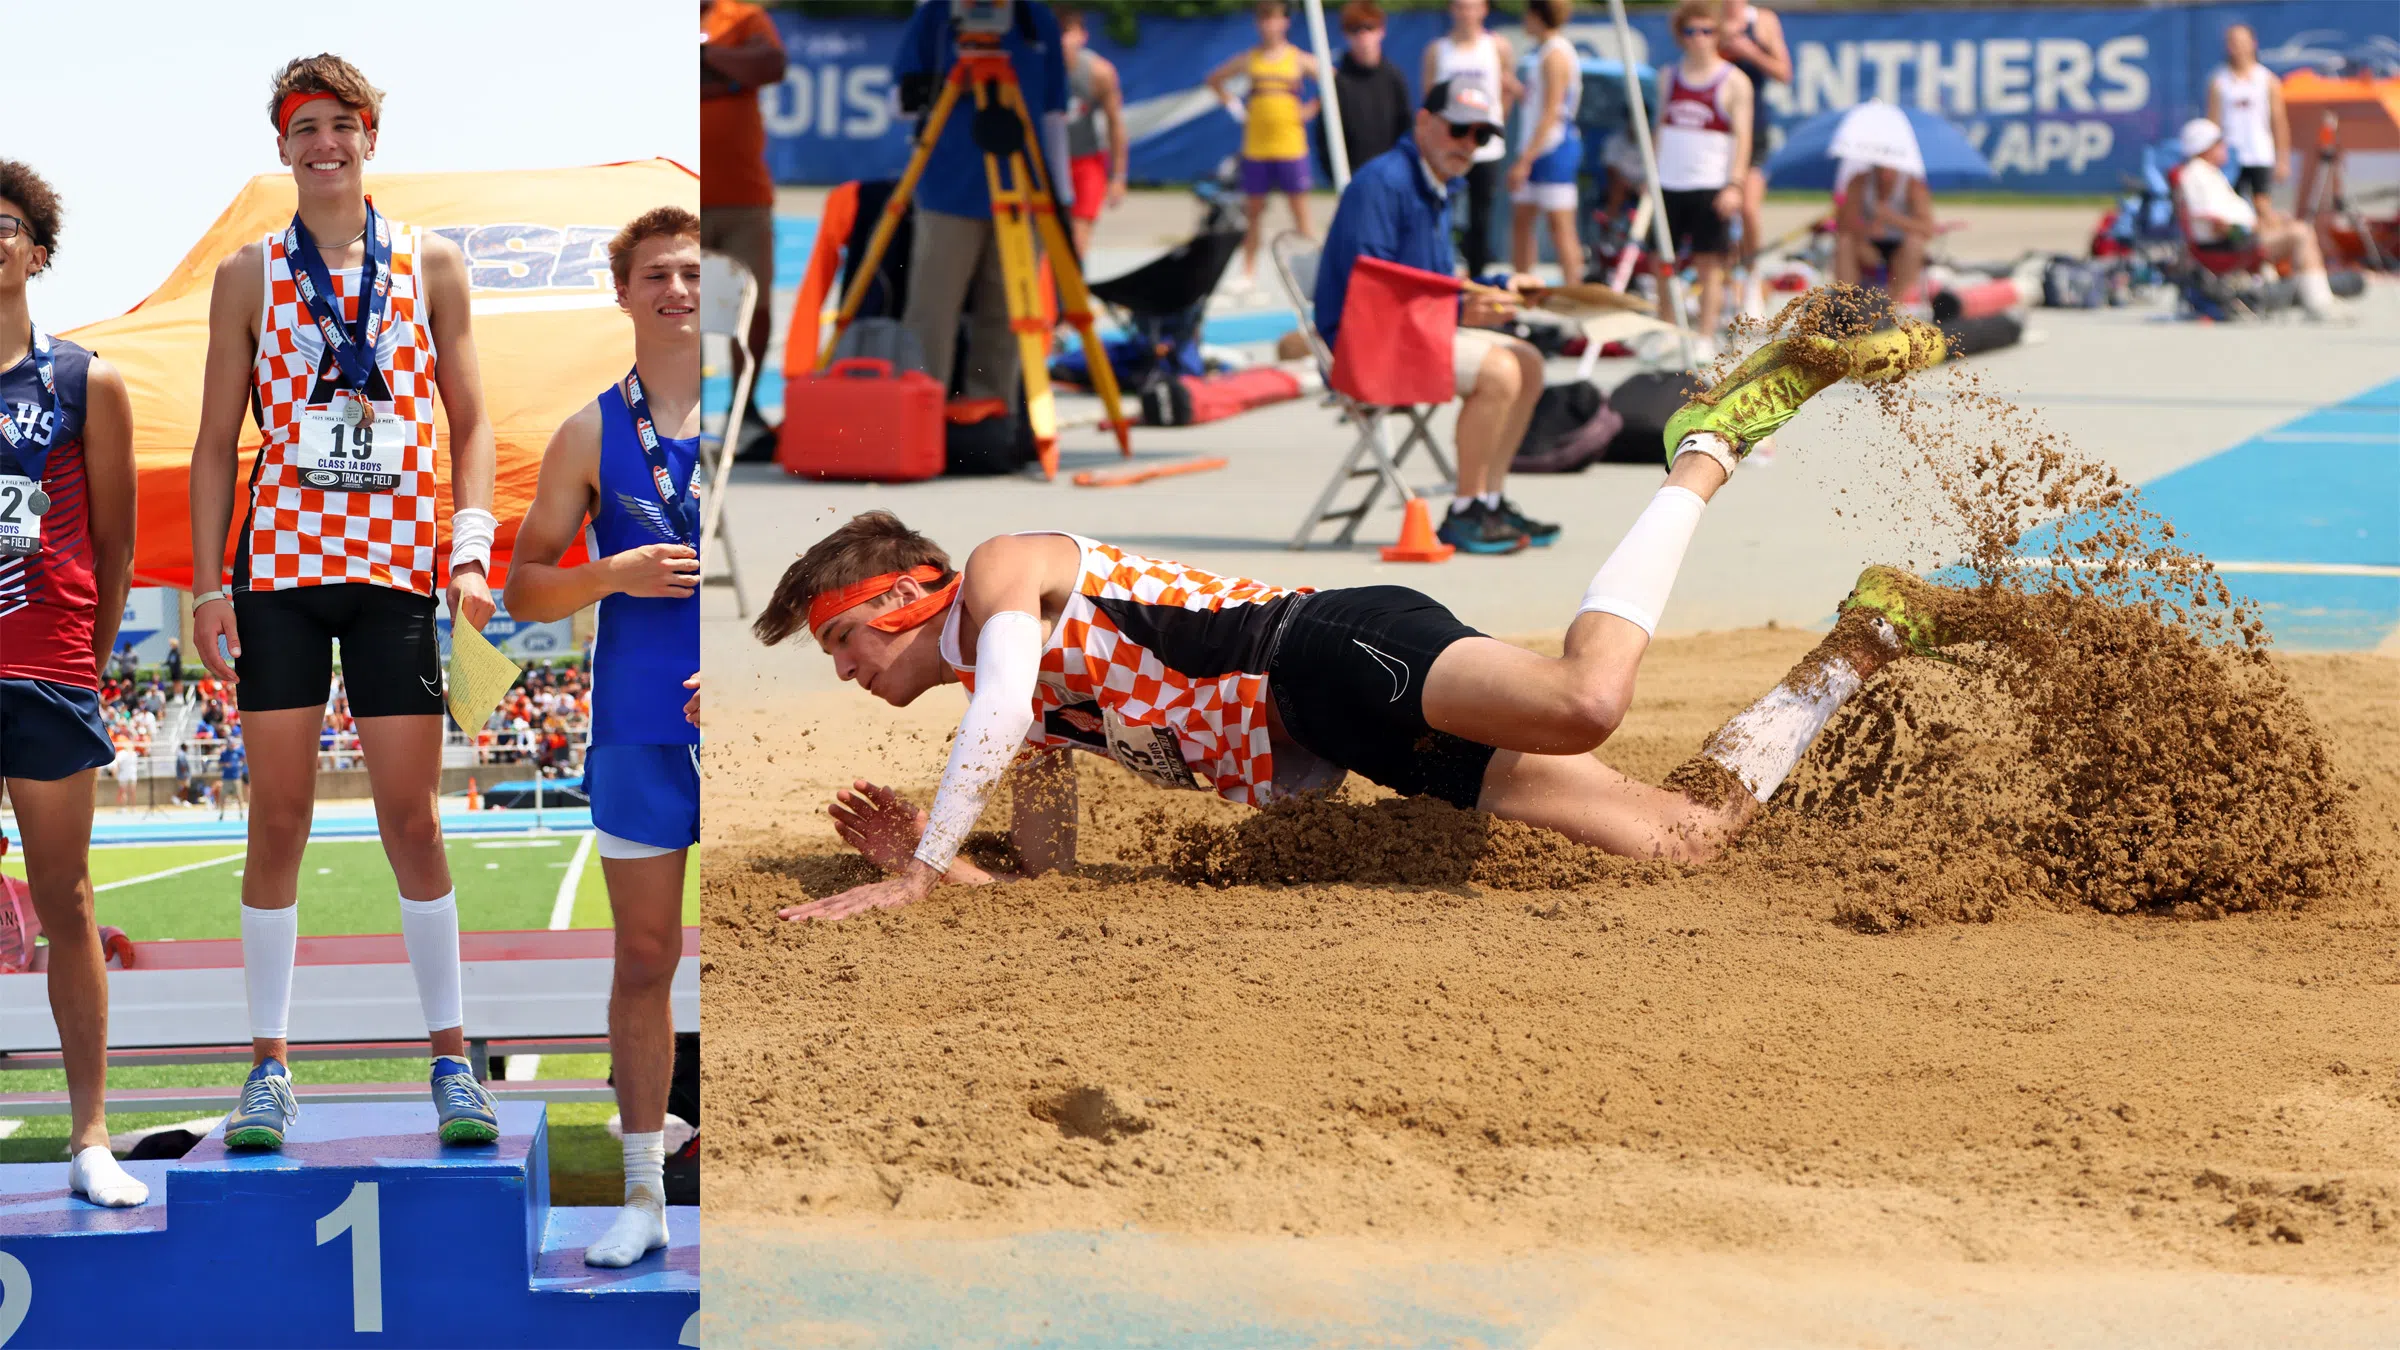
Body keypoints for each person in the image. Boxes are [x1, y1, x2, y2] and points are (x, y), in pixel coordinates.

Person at [757, 322, 1953, 922]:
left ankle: (1708, 442)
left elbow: (1010, 686)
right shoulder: (1011, 719)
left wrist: (915, 872)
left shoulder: (1002, 571)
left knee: (1587, 702)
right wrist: (945, 863)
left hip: (1329, 649)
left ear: (902, 597)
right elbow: (1054, 878)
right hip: (1352, 731)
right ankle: (1864, 643)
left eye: (840, 643)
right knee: (1688, 839)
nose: (847, 673)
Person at [187, 55, 502, 1150]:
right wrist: (205, 581)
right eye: (304, 127)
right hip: (277, 573)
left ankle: (452, 1061)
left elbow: (472, 424)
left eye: (342, 125)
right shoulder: (248, 272)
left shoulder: (433, 262)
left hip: (400, 572)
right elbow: (215, 442)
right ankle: (269, 1067)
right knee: (276, 819)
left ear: (371, 136)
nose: (324, 143)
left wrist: (468, 550)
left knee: (412, 819)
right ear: (281, 145)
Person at [504, 206, 703, 1269]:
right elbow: (527, 586)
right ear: (621, 293)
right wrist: (610, 574)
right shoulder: (589, 431)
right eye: (656, 274)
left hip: (741, 721)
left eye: (692, 272)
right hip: (636, 725)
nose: (678, 289)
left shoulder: (751, 412)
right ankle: (643, 1197)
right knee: (643, 957)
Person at [0, 160, 148, 1209]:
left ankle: (89, 1134)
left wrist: (78, 660)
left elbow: (116, 546)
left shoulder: (82, 380)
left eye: (3, 225)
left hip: (46, 668)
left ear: (38, 252)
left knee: (68, 900)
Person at [1315, 80, 1557, 556]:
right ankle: (1464, 512)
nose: (1468, 144)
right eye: (1459, 129)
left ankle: (1488, 500)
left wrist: (1505, 285)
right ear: (1423, 122)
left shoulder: (1435, 183)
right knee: (1499, 370)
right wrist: (1462, 309)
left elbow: (1438, 280)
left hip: (1401, 331)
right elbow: (1374, 296)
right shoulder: (1384, 183)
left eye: (1481, 136)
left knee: (1528, 361)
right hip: (1364, 347)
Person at [893, 0, 1070, 402]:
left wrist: (1059, 198)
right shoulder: (936, 17)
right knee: (931, 314)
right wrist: (951, 82)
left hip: (1022, 192)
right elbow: (900, 103)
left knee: (1008, 317)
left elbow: (1054, 114)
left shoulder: (1034, 19)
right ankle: (919, 414)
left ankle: (991, 416)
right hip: (947, 191)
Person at [701, 0, 789, 461]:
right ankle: (679, 414)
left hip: (743, 195)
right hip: (677, 195)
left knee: (754, 307)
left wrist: (705, 59)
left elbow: (770, 65)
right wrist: (731, 75)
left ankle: (745, 409)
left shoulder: (742, 17)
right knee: (676, 314)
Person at [1654, 0, 1752, 351]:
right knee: (1662, 261)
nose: (1698, 39)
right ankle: (1667, 330)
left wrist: (1734, 184)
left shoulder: (1734, 81)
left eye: (1706, 31)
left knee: (1709, 264)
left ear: (1718, 35)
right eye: (1690, 32)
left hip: (1710, 183)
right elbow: (1659, 129)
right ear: (1681, 36)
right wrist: (1650, 176)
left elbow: (1743, 139)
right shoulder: (1668, 76)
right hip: (1668, 181)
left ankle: (1705, 336)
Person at [1208, 1, 1323, 290]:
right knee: (1253, 213)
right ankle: (1248, 273)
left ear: (1285, 22)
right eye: (1263, 19)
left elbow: (1334, 82)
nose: (1269, 25)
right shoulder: (1250, 59)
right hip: (1256, 148)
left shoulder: (1298, 59)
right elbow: (1215, 80)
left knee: (1300, 214)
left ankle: (1314, 274)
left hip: (1291, 146)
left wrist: (1312, 109)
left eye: (1274, 19)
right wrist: (1236, 108)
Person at [2176, 118, 2339, 320]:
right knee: (2301, 234)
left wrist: (2269, 223)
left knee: (2295, 226)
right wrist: (2252, 231)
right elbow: (2216, 224)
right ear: (2205, 147)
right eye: (2219, 143)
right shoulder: (2195, 175)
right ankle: (2318, 304)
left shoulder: (2209, 173)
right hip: (2228, 246)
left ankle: (2314, 299)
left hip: (2237, 239)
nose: (2224, 147)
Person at [1423, 0, 1517, 281]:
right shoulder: (1437, 50)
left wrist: (1492, 124)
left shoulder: (1497, 46)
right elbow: (1429, 100)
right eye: (1461, 6)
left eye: (1472, 6)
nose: (1466, 13)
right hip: (1447, 147)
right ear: (1452, 10)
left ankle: (1477, 280)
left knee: (1481, 218)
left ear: (1484, 9)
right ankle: (1440, 272)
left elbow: (1508, 89)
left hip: (1484, 149)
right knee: (1439, 212)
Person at [1508, 0, 1584, 287]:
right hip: (1537, 146)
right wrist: (1516, 89)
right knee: (1522, 221)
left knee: (1560, 227)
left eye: (1527, 14)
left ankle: (1575, 295)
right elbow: (1538, 103)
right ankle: (1523, 292)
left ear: (1538, 16)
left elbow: (1553, 112)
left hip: (1553, 150)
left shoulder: (1555, 55)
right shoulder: (1544, 53)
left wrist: (1525, 160)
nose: (1524, 20)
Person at [1717, 0, 1788, 277]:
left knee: (1748, 208)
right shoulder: (1708, 19)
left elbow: (1783, 72)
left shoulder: (1763, 21)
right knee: (1719, 211)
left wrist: (1750, 51)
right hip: (1718, 130)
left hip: (1753, 128)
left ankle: (1751, 274)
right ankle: (1724, 278)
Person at [1318, 2, 1414, 189]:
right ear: (1346, 34)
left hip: (1390, 177)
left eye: (1369, 28)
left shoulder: (1394, 78)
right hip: (1351, 179)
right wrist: (1336, 174)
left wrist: (1400, 169)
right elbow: (1325, 134)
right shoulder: (1338, 83)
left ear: (1381, 31)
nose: (1363, 36)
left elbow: (1406, 127)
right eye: (1355, 30)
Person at [1056, 6, 1126, 261]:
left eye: (1067, 31)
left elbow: (1115, 124)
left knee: (1078, 237)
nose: (1062, 39)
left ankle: (1071, 293)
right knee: (1047, 236)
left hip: (1086, 161)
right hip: (1050, 162)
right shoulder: (1036, 68)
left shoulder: (1099, 73)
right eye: (1057, 31)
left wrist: (1118, 175)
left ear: (1082, 35)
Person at [2207, 23, 2287, 213]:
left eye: (2243, 42)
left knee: (2263, 207)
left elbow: (2279, 122)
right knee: (2230, 209)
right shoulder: (2219, 82)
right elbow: (2213, 124)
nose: (2239, 47)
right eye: (2233, 42)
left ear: (2253, 44)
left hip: (2260, 154)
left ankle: (2266, 243)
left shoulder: (2268, 80)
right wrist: (2211, 158)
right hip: (2230, 159)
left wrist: (2282, 159)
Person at [1832, 161, 1935, 302]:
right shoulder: (1860, 181)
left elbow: (1927, 229)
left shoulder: (1912, 185)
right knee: (1845, 242)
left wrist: (1892, 218)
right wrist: (1866, 231)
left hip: (1900, 248)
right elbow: (1844, 223)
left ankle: (1894, 303)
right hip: (1866, 246)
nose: (1885, 174)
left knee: (1915, 243)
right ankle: (1847, 299)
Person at [216, 736, 246, 820]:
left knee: (239, 796)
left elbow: (244, 759)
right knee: (223, 797)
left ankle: (241, 813)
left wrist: (241, 768)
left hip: (236, 778)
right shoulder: (224, 753)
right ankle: (221, 813)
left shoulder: (238, 752)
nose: (232, 745)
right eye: (230, 743)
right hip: (226, 778)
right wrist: (225, 764)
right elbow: (219, 764)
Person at [110, 741, 138, 808]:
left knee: (124, 791)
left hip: (126, 774)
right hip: (129, 774)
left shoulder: (129, 754)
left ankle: (124, 807)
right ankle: (131, 807)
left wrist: (116, 772)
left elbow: (117, 764)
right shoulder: (132, 754)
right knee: (130, 791)